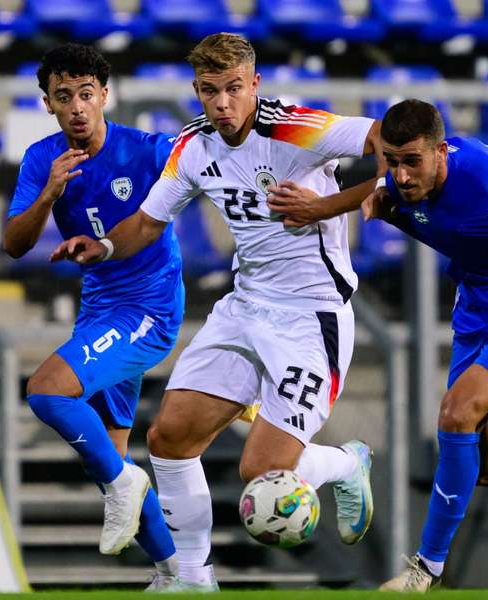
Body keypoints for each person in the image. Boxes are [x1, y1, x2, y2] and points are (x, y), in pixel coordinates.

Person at [51, 33, 386, 590]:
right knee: (170, 438)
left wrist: (327, 204)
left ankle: (348, 464)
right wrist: (105, 245)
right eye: (211, 91)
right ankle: (192, 576)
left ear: (254, 84)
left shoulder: (296, 128)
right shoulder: (193, 147)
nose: (223, 103)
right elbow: (149, 222)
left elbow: (386, 144)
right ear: (197, 92)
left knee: (262, 473)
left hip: (312, 318)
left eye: (234, 89)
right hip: (244, 308)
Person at [266, 98, 488, 592]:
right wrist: (318, 208)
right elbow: (377, 188)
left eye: (412, 162)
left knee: (456, 412)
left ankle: (426, 569)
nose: (400, 176)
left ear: (442, 151)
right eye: (392, 160)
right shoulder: (401, 185)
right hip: (476, 308)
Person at [2, 43, 186, 590]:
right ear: (48, 104)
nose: (77, 107)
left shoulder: (146, 150)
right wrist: (49, 194)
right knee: (106, 460)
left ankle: (128, 489)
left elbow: (201, 172)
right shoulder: (43, 160)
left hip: (149, 309)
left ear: (104, 96)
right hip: (100, 311)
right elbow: (14, 244)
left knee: (47, 391)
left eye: (86, 94)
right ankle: (178, 574)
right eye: (64, 97)